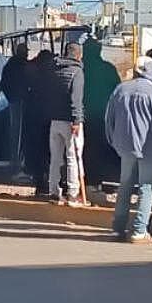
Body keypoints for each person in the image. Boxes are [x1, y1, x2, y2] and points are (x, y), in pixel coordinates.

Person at [107, 58, 152, 243]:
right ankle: (139, 230)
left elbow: (109, 119)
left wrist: (114, 142)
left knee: (125, 185)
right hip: (150, 149)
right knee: (146, 188)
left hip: (125, 147)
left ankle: (118, 228)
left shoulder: (120, 89)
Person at [40, 41, 88, 204]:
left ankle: (53, 190)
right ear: (79, 55)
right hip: (70, 121)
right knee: (73, 157)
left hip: (55, 120)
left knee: (55, 157)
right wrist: (76, 119)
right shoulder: (77, 72)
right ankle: (73, 193)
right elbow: (76, 99)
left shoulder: (55, 70)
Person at [80, 39, 122, 187]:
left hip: (80, 117)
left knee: (82, 150)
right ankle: (96, 181)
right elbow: (118, 90)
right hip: (103, 116)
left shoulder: (80, 68)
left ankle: (83, 181)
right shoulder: (108, 69)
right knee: (98, 149)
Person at [22, 48, 56, 188]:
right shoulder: (54, 76)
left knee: (37, 150)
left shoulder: (32, 74)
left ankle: (39, 179)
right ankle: (49, 179)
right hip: (49, 118)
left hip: (34, 117)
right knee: (49, 151)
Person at [2, 42, 31, 169]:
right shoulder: (18, 65)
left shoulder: (11, 64)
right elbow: (6, 83)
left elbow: (4, 83)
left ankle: (17, 160)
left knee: (18, 131)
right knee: (18, 131)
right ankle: (16, 161)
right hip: (18, 100)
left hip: (17, 100)